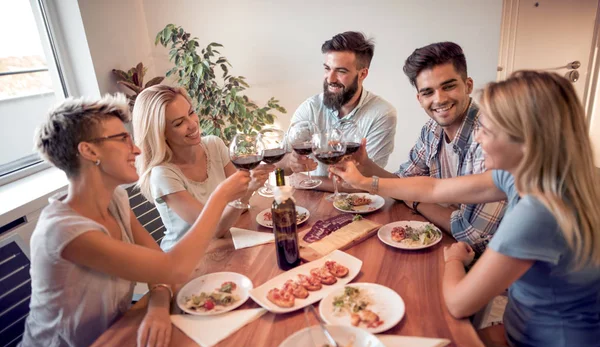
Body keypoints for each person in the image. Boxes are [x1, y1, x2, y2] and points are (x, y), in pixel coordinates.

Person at [331, 70, 600, 347]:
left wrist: (455, 258)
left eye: (486, 130)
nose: (477, 138)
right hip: (530, 334)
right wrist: (365, 181)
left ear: (525, 139)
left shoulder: (538, 212)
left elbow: (459, 303)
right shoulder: (527, 176)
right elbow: (434, 187)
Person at [3, 94, 250, 347]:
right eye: (122, 138)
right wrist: (220, 197)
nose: (135, 149)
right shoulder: (63, 230)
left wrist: (158, 306)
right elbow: (175, 267)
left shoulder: (117, 199)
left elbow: (158, 266)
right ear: (89, 150)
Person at [352, 42, 506, 255]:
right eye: (428, 92)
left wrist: (416, 201)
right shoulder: (432, 129)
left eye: (448, 86)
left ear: (468, 85)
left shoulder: (489, 137)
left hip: (496, 267)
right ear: (419, 98)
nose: (439, 99)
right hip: (449, 244)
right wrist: (366, 165)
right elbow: (403, 182)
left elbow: (472, 236)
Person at [133, 85, 273, 251]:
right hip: (188, 260)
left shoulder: (214, 145)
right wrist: (246, 191)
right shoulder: (163, 174)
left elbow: (238, 210)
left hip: (222, 242)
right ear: (160, 133)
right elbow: (212, 231)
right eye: (179, 123)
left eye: (191, 112)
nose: (192, 124)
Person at [282, 31, 397, 188]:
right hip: (311, 204)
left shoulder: (382, 114)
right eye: (327, 69)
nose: (330, 78)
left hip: (358, 207)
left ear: (363, 74)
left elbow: (370, 183)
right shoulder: (310, 107)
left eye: (341, 71)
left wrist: (308, 182)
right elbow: (279, 163)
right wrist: (290, 161)